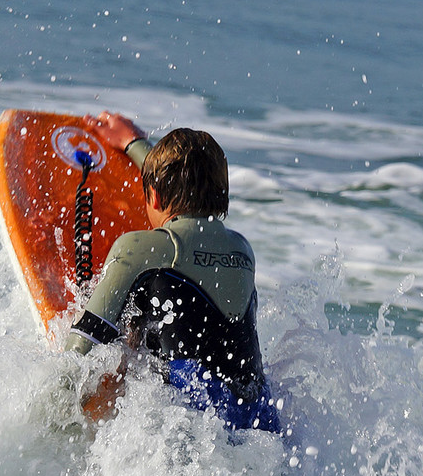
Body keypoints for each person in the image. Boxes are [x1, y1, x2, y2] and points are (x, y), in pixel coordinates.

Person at [67, 112, 279, 432]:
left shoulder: (142, 247)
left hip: (187, 430)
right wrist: (133, 143)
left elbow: (81, 348)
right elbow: (185, 195)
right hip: (261, 425)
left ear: (151, 195)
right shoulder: (241, 251)